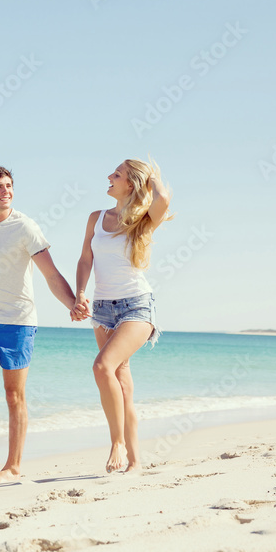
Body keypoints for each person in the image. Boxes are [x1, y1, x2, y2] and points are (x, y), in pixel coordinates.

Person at [0, 166, 78, 484]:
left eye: (9, 186)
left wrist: (74, 303)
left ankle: (12, 465)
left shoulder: (25, 227)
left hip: (17, 322)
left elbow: (51, 273)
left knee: (13, 396)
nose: (6, 191)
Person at [72, 159, 172, 473]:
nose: (109, 177)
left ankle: (117, 442)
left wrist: (151, 177)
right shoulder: (96, 218)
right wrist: (80, 293)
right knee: (122, 382)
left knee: (102, 366)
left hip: (137, 306)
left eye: (117, 174)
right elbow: (86, 257)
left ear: (130, 184)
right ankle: (136, 462)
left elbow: (164, 200)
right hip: (103, 308)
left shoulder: (142, 219)